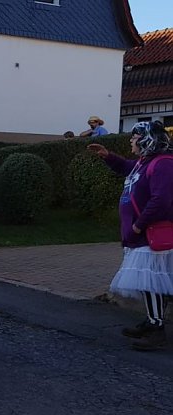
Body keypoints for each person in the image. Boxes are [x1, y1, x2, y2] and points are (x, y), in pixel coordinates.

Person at [87, 120, 173, 351]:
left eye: (135, 137)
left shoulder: (163, 163)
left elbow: (161, 201)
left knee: (151, 280)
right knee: (149, 281)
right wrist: (108, 156)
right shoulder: (144, 163)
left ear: (147, 139)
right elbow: (127, 168)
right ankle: (152, 321)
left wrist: (138, 226)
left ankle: (156, 330)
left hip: (150, 234)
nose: (131, 141)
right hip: (142, 234)